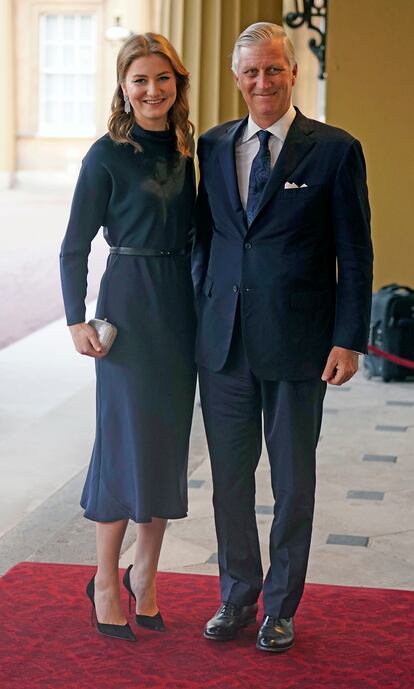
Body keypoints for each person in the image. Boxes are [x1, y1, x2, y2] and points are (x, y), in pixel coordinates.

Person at [192, 22, 373, 652]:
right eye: (250, 72)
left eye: (273, 69)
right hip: (224, 347)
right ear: (237, 77)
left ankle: (280, 607)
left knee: (293, 481)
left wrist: (349, 338)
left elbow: (355, 254)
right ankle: (237, 597)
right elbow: (208, 241)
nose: (261, 82)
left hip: (300, 345)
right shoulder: (213, 148)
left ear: (292, 72)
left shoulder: (335, 149)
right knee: (229, 481)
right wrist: (201, 312)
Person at [60, 33, 197, 641]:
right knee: (123, 442)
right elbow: (73, 246)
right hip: (128, 304)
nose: (152, 90)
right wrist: (75, 319)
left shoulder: (192, 149)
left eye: (162, 79)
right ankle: (105, 580)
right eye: (139, 80)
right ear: (123, 86)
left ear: (178, 84)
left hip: (180, 306)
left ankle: (146, 574)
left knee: (166, 442)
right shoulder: (106, 155)